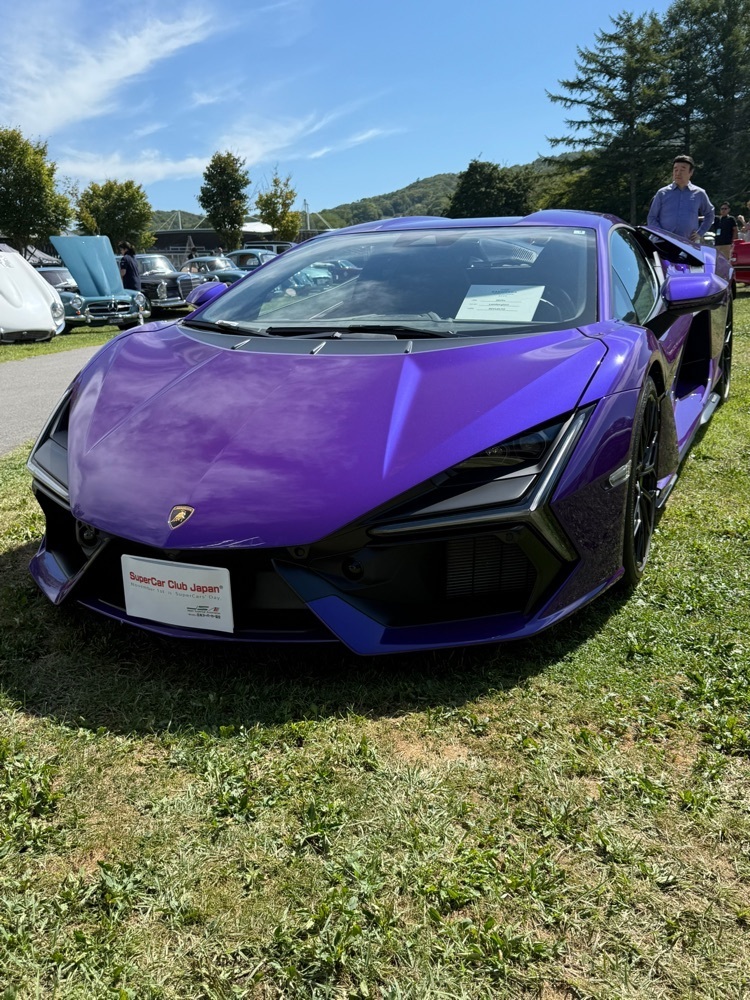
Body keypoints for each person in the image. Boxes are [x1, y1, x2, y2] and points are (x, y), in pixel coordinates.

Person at [646, 155, 714, 242]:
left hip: (688, 243)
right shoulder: (662, 193)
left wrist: (700, 233)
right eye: (675, 169)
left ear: (691, 172)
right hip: (663, 242)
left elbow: (710, 214)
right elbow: (652, 217)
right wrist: (660, 234)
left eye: (682, 170)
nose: (678, 173)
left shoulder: (699, 193)